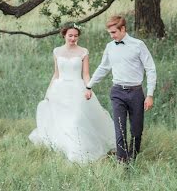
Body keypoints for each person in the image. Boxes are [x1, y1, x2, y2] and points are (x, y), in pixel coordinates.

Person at [28, 24, 114, 163]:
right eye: (70, 35)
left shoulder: (83, 52)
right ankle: (66, 148)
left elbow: (86, 74)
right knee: (62, 120)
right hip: (59, 89)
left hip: (77, 88)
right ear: (64, 35)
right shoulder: (57, 51)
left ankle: (79, 151)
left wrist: (89, 88)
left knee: (76, 119)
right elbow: (56, 74)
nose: (73, 38)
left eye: (75, 36)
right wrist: (48, 91)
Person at [85, 15, 157, 163]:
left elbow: (151, 69)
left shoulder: (138, 45)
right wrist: (89, 85)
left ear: (123, 29)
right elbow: (103, 68)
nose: (111, 36)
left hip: (136, 92)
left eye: (113, 32)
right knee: (120, 128)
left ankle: (133, 158)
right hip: (117, 92)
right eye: (110, 33)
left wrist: (149, 95)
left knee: (136, 130)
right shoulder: (110, 47)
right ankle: (122, 161)